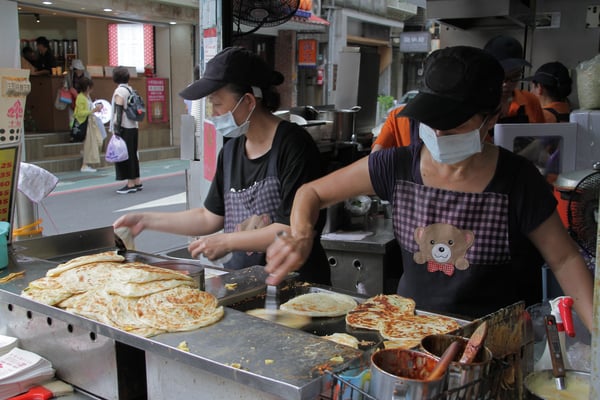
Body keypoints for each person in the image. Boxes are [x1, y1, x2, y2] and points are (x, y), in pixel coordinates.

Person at [265, 46, 593, 331]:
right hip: (411, 332)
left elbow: (564, 260)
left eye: (453, 125)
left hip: (490, 345)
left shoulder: (518, 180)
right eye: (431, 120)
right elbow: (311, 193)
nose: (437, 132)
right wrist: (301, 234)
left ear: (490, 119)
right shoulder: (396, 166)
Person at [113, 47, 330, 285]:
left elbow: (290, 229)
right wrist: (146, 220)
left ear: (248, 101)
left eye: (217, 104)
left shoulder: (294, 145)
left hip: (296, 285)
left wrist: (226, 241)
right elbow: (209, 217)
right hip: (244, 283)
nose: (214, 114)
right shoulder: (231, 151)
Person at [483, 35, 545, 126]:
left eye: (515, 76)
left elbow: (542, 137)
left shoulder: (530, 100)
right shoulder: (477, 104)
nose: (506, 84)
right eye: (500, 77)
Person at [110, 66, 142, 194]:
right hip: (133, 126)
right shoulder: (130, 89)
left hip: (124, 127)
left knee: (125, 156)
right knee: (133, 154)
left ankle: (130, 184)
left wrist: (116, 130)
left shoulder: (119, 91)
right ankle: (137, 180)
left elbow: (118, 110)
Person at [73, 77, 103, 172]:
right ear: (87, 87)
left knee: (98, 141)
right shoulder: (81, 97)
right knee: (90, 143)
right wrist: (93, 110)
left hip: (91, 121)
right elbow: (78, 113)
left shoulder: (87, 96)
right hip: (86, 122)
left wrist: (94, 110)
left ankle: (85, 158)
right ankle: (84, 165)